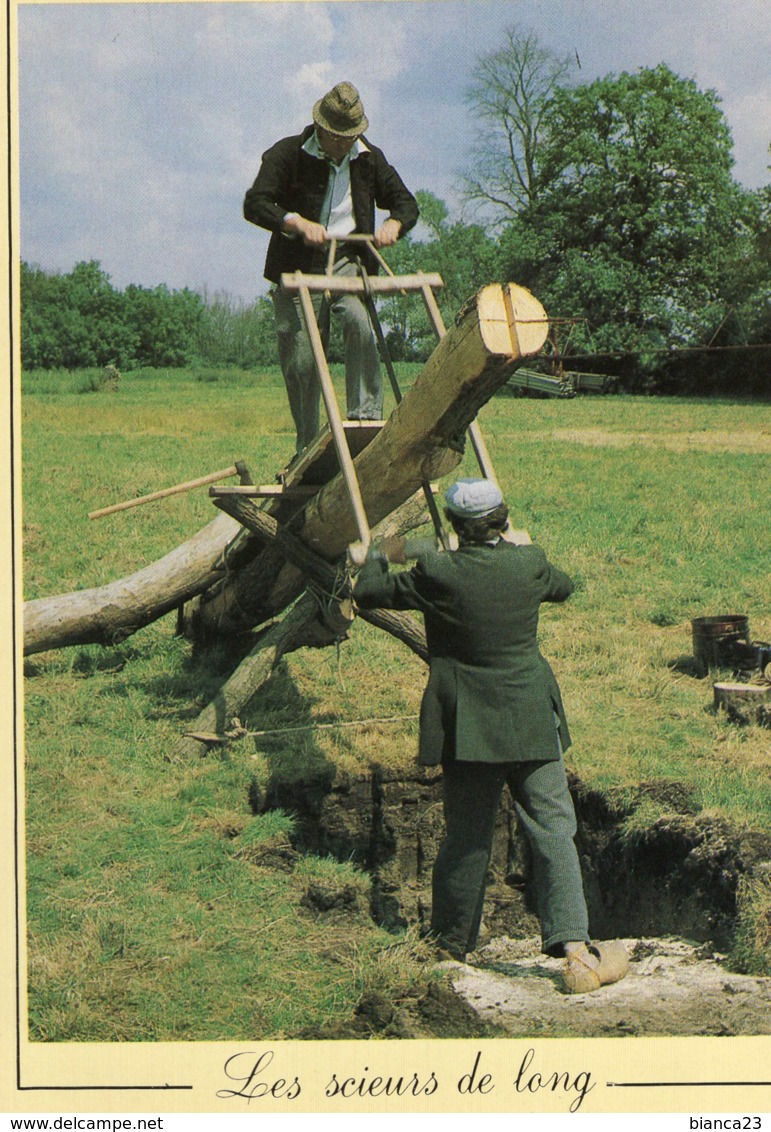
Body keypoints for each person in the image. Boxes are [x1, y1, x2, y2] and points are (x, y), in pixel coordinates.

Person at [353, 477, 629, 994]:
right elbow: (564, 586)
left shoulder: (438, 571)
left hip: (470, 724)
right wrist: (522, 545)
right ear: (502, 519)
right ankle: (575, 951)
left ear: (457, 527)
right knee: (553, 828)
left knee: (467, 836)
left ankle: (448, 944)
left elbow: (368, 594)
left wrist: (377, 554)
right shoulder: (530, 563)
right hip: (530, 716)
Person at [244, 81, 419, 457]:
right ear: (321, 128)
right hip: (296, 267)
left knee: (360, 323)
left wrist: (394, 225)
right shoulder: (287, 154)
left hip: (347, 262)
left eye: (350, 137)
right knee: (303, 360)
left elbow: (405, 202)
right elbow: (256, 202)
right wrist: (295, 222)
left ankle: (365, 424)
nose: (343, 144)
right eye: (337, 136)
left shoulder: (369, 158)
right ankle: (308, 447)